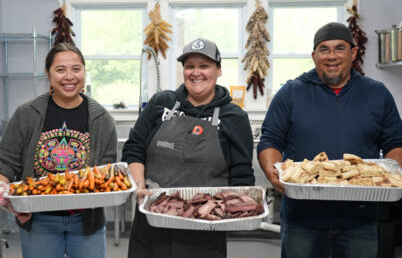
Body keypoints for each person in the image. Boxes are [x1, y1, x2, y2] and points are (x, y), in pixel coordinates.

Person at [257, 22, 402, 258]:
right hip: (302, 218)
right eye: (324, 49)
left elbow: (396, 143)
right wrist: (273, 170)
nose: (331, 56)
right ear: (314, 56)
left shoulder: (377, 94)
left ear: (353, 53)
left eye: (339, 48)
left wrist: (393, 177)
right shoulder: (291, 92)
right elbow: (270, 140)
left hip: (359, 218)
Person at [122, 38, 255, 258]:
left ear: (218, 70)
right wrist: (139, 187)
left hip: (204, 228)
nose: (196, 72)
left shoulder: (234, 117)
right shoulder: (161, 103)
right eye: (190, 66)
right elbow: (135, 148)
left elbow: (241, 174)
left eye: (204, 66)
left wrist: (234, 208)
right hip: (153, 219)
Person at [0, 42, 117, 258]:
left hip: (86, 221)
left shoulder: (102, 118)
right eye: (60, 69)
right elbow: (6, 162)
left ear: (84, 71)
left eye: (76, 69)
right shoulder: (27, 114)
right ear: (48, 74)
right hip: (38, 219)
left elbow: (107, 172)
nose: (69, 77)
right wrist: (2, 185)